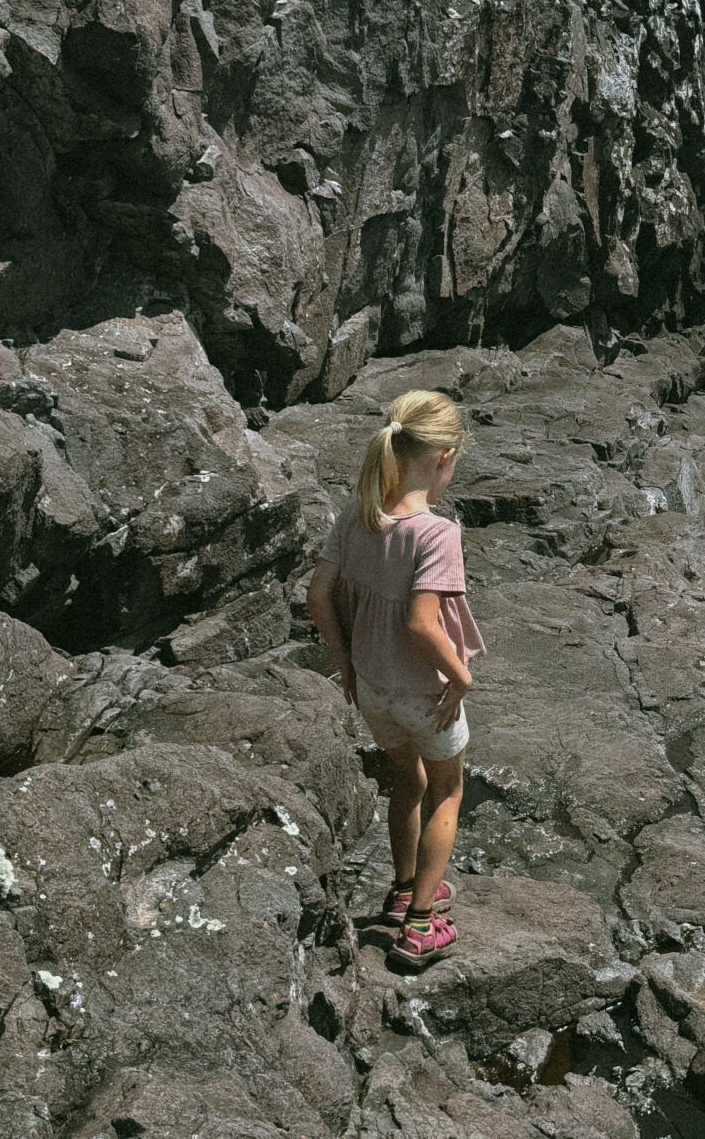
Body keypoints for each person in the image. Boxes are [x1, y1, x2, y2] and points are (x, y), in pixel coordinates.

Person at [305, 390, 483, 972]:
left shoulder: (359, 513)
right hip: (423, 692)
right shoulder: (435, 533)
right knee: (448, 792)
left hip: (373, 687)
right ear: (443, 457)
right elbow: (421, 623)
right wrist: (461, 677)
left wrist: (347, 660)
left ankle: (405, 887)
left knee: (405, 781)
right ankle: (419, 926)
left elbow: (317, 596)